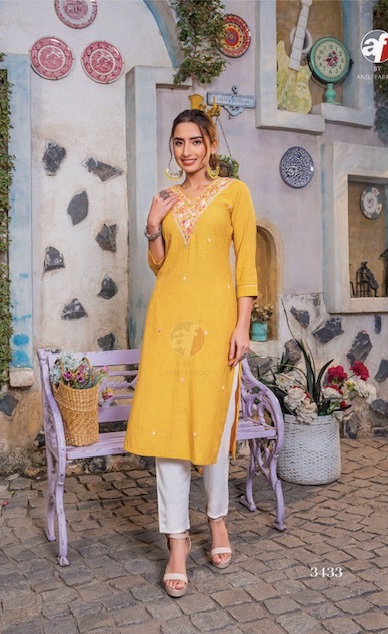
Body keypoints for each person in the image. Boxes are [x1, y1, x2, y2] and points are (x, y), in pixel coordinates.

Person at [124, 109, 258, 597]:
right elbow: (161, 267)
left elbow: (247, 263)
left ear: (211, 143)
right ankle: (177, 542)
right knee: (169, 432)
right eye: (179, 142)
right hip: (168, 326)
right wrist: (151, 225)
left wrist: (242, 325)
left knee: (214, 427)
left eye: (195, 141)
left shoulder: (234, 192)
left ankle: (217, 520)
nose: (187, 151)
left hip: (217, 325)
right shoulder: (165, 200)